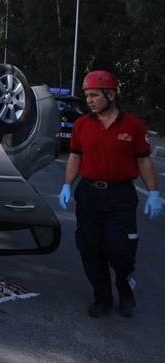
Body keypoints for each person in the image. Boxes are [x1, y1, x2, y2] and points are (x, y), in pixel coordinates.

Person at [58, 70, 162, 318]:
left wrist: (154, 193)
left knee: (120, 249)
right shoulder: (82, 125)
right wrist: (66, 185)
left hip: (120, 196)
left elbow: (144, 162)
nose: (89, 100)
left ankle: (125, 289)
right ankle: (102, 297)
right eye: (87, 95)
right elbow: (75, 156)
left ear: (111, 94)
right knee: (90, 249)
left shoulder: (133, 126)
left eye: (94, 95)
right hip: (89, 195)